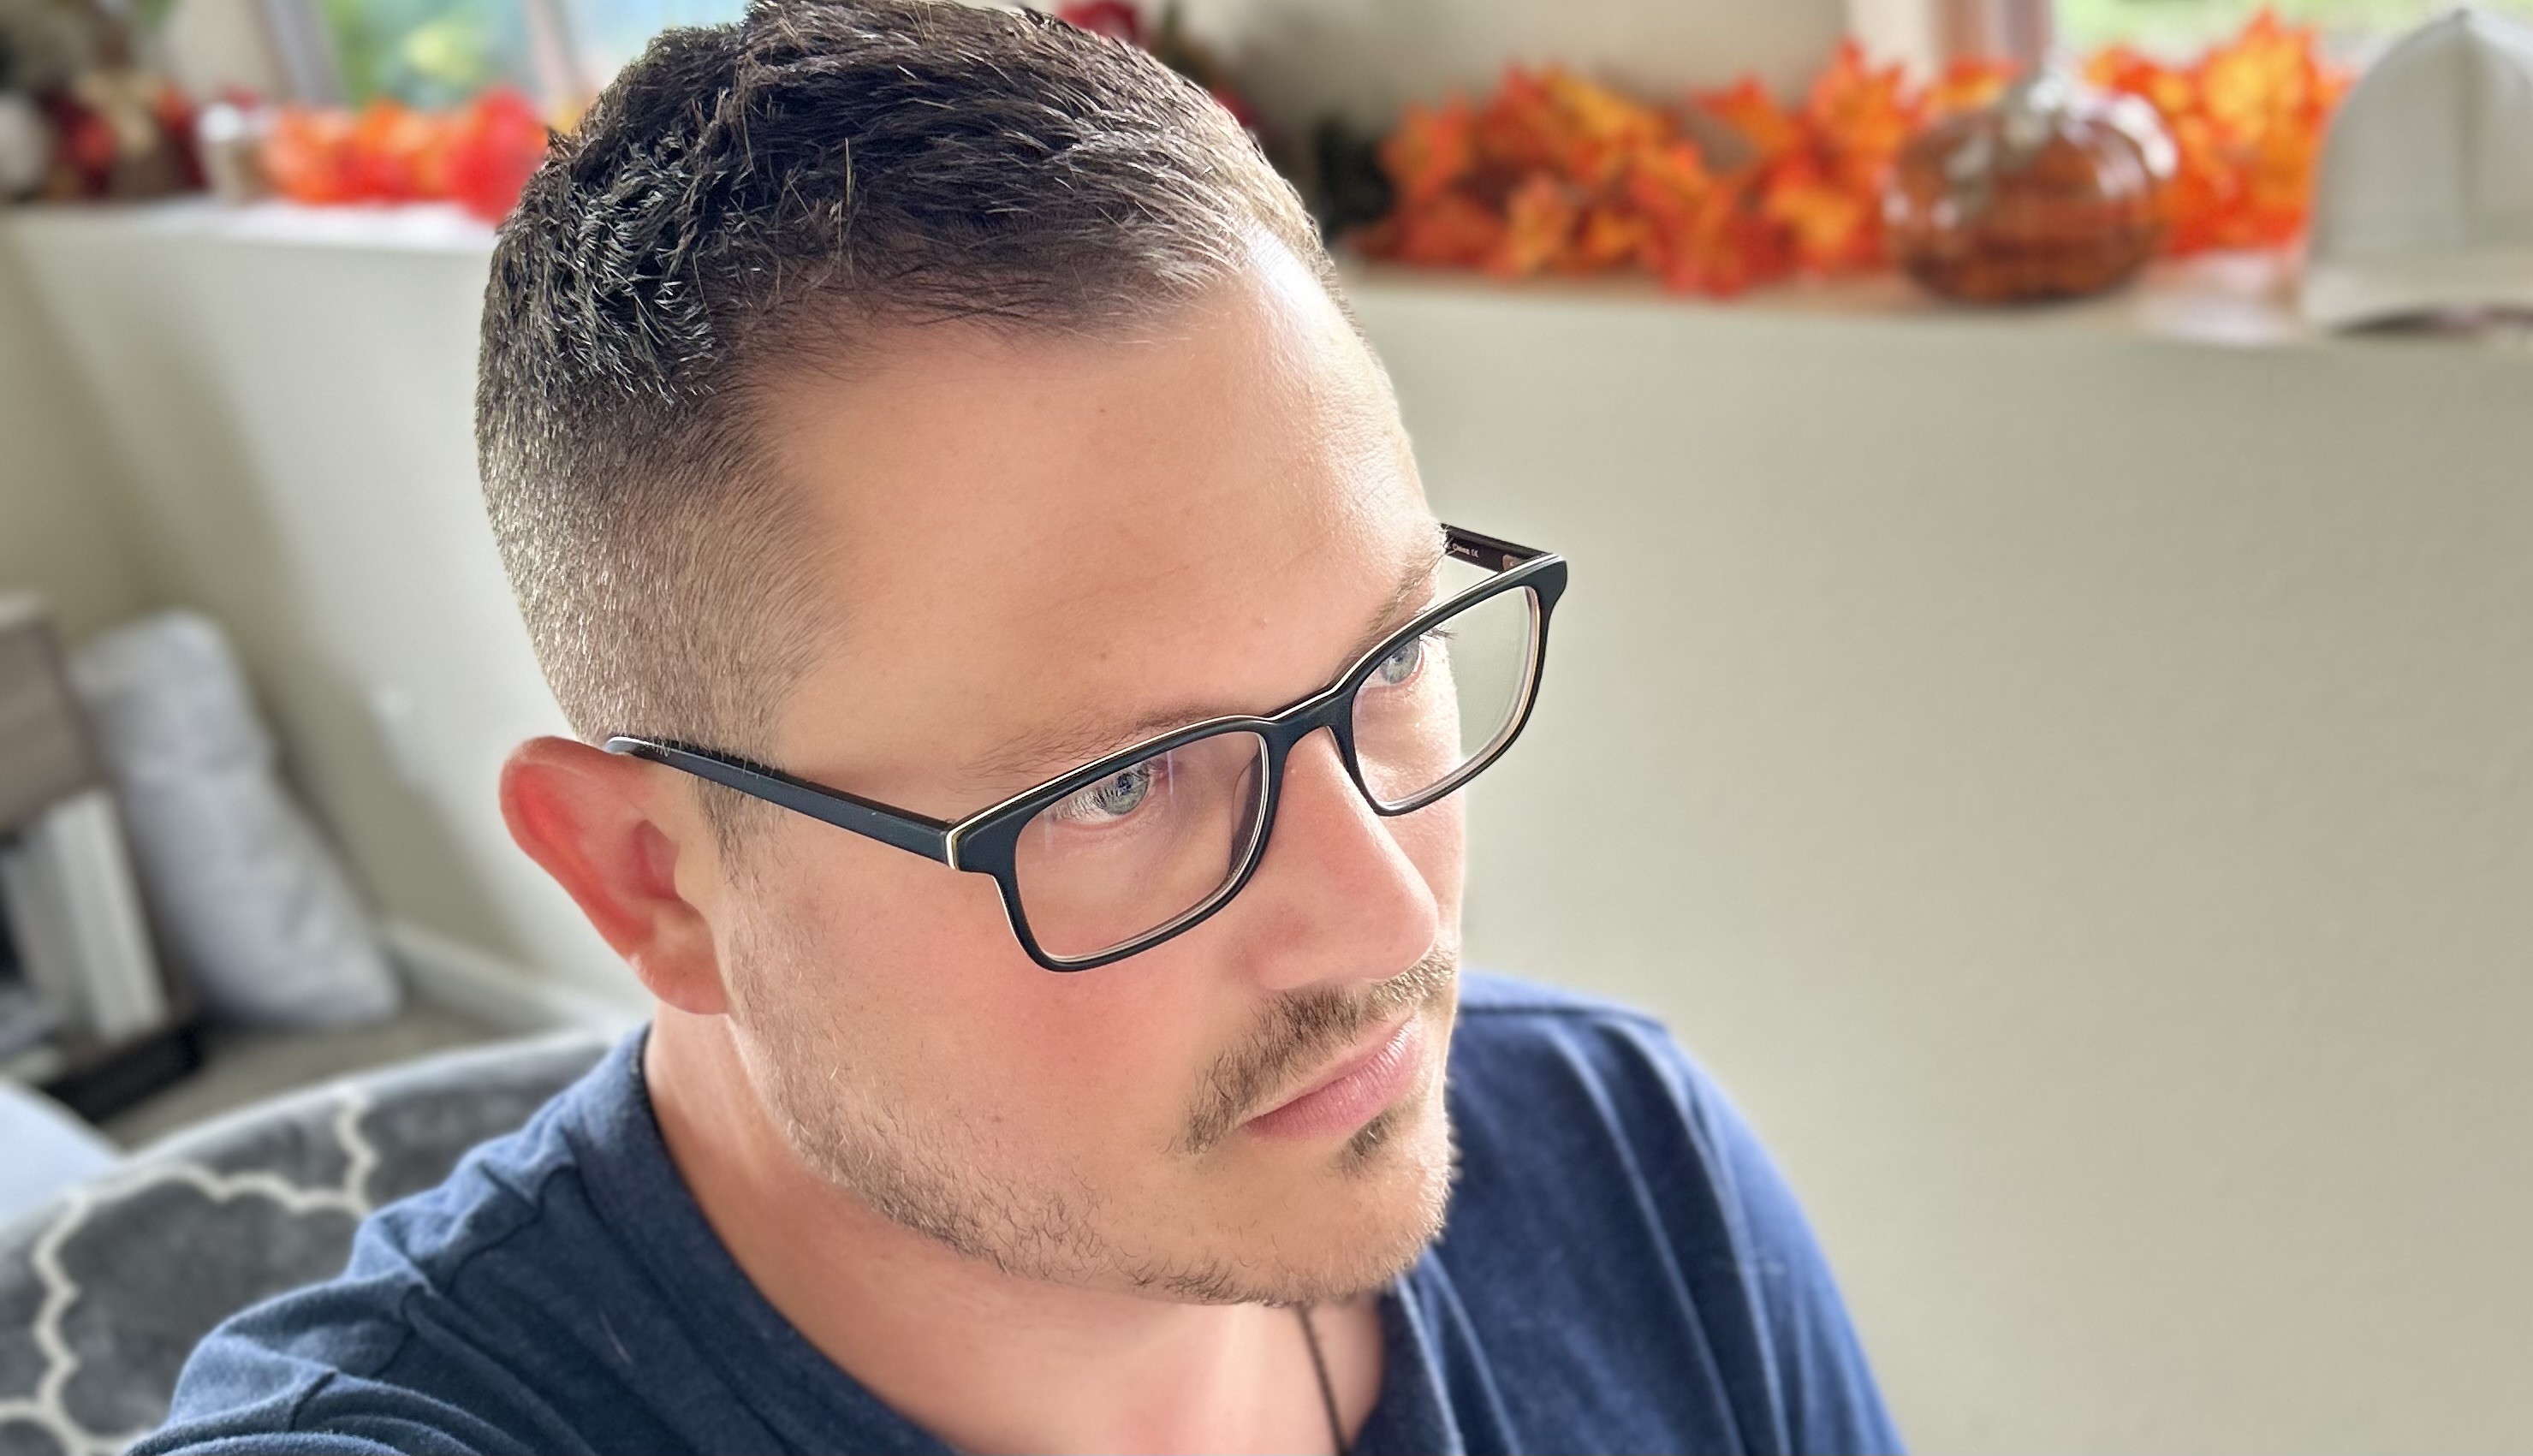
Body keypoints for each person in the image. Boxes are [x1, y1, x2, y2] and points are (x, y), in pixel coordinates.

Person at [139, 3, 1899, 1452]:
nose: (1390, 921)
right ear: (654, 882)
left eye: (1387, 664)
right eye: (1115, 783)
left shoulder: (1627, 1158)